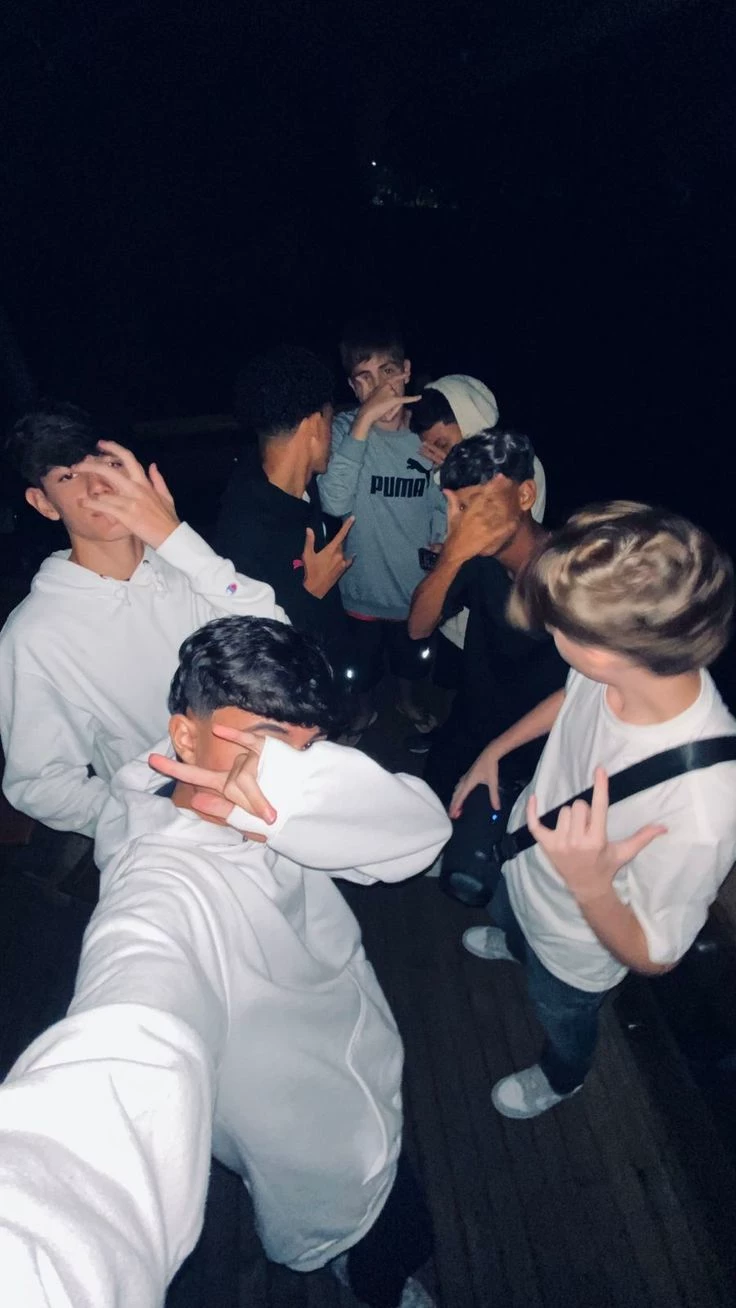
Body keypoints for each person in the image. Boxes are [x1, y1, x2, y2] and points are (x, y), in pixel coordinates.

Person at [69, 615, 448, 1305]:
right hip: (295, 1112)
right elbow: (127, 1010)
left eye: (308, 752)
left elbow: (420, 836)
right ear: (185, 735)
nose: (280, 772)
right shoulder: (159, 885)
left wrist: (291, 789)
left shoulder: (256, 793)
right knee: (371, 1225)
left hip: (353, 1038)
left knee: (391, 1190)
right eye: (264, 745)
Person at [451, 502, 736, 1120]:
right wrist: (497, 748)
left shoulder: (703, 804)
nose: (549, 634)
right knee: (511, 923)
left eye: (558, 628)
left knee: (561, 1017)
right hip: (522, 866)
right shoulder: (630, 661)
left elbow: (656, 954)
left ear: (605, 652)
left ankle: (563, 1078)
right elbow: (572, 694)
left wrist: (589, 884)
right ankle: (516, 941)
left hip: (574, 946)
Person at [0, 402, 286, 837]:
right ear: (43, 503)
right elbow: (42, 784)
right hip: (178, 833)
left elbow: (277, 640)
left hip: (273, 777)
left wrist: (174, 537)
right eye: (68, 476)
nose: (99, 486)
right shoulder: (36, 634)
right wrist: (154, 816)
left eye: (109, 464)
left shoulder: (186, 566)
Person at [409, 432, 566, 810]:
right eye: (462, 508)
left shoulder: (570, 572)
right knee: (429, 802)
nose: (470, 522)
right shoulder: (476, 559)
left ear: (525, 496)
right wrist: (451, 555)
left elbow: (588, 686)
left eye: (482, 505)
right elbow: (417, 628)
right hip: (472, 721)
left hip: (543, 740)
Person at [318, 316, 444, 734]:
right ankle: (362, 712)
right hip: (360, 590)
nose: (378, 389)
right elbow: (334, 501)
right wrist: (363, 422)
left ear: (406, 371)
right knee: (360, 671)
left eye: (387, 372)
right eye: (364, 378)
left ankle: (407, 703)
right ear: (353, 387)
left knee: (412, 664)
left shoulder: (429, 435)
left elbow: (443, 508)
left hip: (415, 591)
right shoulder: (343, 431)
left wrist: (443, 538)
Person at [215, 347, 354, 671]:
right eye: (331, 420)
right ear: (316, 425)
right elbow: (248, 652)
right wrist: (311, 592)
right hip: (295, 687)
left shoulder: (305, 487)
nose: (332, 434)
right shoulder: (243, 530)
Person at [410, 376, 547, 667]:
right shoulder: (449, 477)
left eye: (443, 443)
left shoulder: (518, 470)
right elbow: (417, 627)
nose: (438, 454)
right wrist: (450, 554)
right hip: (471, 627)